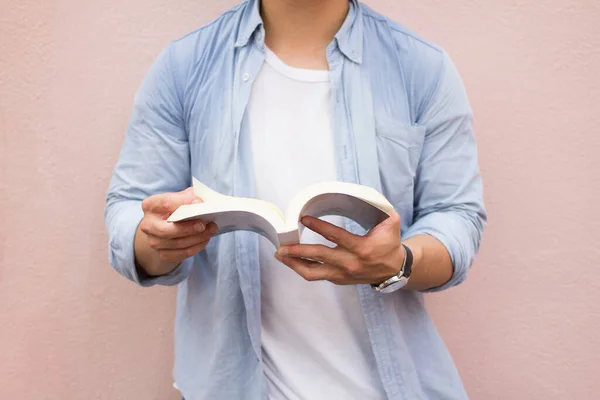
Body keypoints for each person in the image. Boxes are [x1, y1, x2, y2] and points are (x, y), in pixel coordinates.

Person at [105, 0, 486, 398]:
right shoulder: (185, 67)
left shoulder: (422, 69)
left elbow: (456, 216)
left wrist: (400, 261)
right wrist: (158, 240)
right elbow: (129, 210)